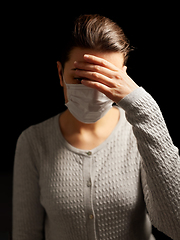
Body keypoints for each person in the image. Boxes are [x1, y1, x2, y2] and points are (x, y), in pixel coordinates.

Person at [13, 14, 180, 240]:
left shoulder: (139, 134)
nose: (93, 91)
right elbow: (26, 234)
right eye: (81, 78)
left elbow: (175, 225)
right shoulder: (33, 142)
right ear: (60, 73)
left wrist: (143, 107)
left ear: (123, 79)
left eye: (106, 79)